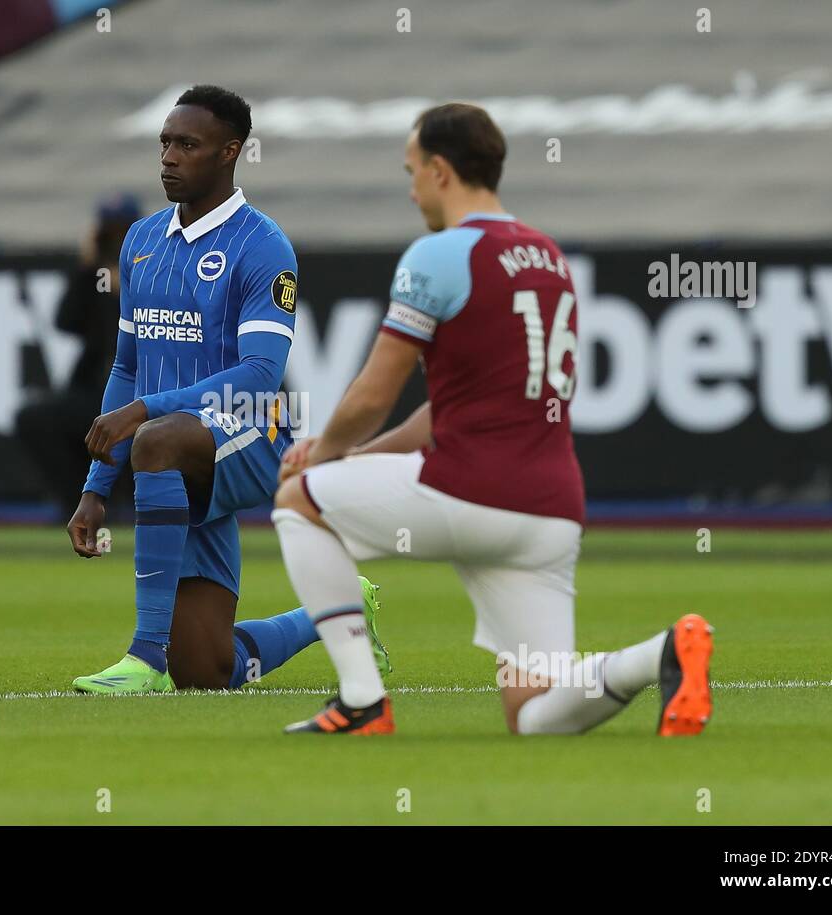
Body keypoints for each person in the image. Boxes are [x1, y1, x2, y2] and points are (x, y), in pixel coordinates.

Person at [272, 103, 713, 735]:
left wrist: (319, 457)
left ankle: (362, 701)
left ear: (441, 171)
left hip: (466, 491)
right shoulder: (548, 256)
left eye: (413, 170)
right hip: (549, 513)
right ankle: (661, 653)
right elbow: (454, 406)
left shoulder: (439, 254)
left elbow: (372, 393)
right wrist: (357, 459)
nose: (411, 187)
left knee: (297, 502)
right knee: (534, 715)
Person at [66, 85, 390, 693]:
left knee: (157, 440)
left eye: (187, 144)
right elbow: (127, 369)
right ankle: (339, 607)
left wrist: (142, 415)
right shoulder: (140, 242)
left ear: (229, 152)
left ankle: (145, 656)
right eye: (165, 142)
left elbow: (260, 375)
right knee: (210, 670)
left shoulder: (262, 246)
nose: (169, 157)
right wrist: (95, 489)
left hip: (254, 429)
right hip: (174, 452)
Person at [15, 194, 140, 519]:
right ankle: (77, 504)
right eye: (110, 233)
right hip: (95, 390)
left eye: (123, 232)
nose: (116, 241)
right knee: (36, 417)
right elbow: (65, 321)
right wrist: (88, 267)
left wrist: (123, 289)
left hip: (143, 392)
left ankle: (128, 504)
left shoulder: (155, 271)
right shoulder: (94, 277)